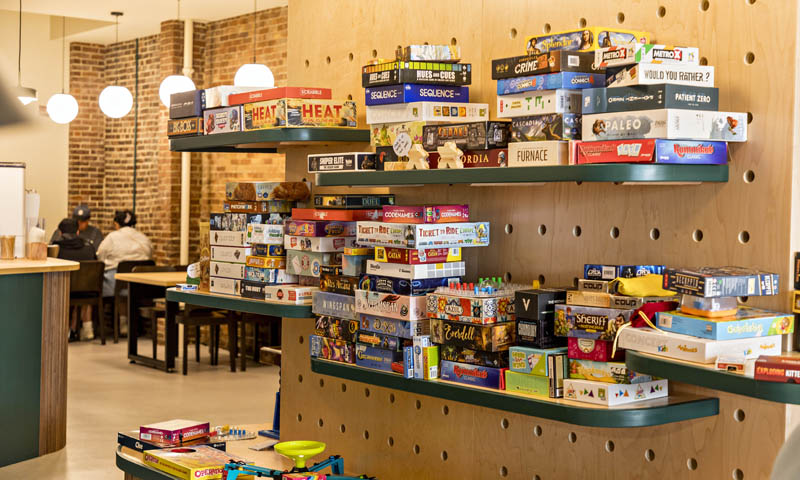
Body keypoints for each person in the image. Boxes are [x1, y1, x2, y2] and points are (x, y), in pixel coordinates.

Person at [55, 218, 97, 342]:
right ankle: (86, 328)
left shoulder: (57, 250)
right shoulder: (89, 249)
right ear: (78, 232)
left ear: (60, 233)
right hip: (88, 291)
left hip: (65, 292)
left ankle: (64, 330)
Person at [96, 209, 153, 298]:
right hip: (141, 285)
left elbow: (100, 257)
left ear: (116, 224)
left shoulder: (111, 237)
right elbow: (149, 255)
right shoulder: (144, 238)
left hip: (116, 286)